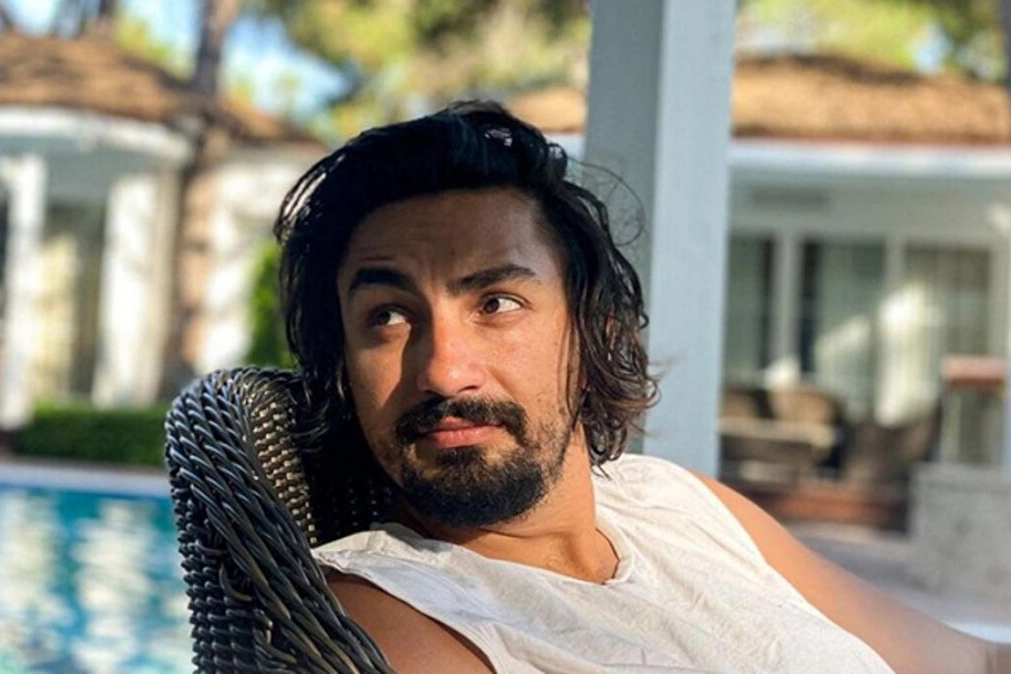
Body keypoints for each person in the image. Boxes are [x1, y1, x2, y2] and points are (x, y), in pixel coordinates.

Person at [273, 101, 1011, 673]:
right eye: (387, 316)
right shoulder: (385, 616)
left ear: (592, 333)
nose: (442, 370)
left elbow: (973, 661)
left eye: (496, 302)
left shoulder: (677, 505)